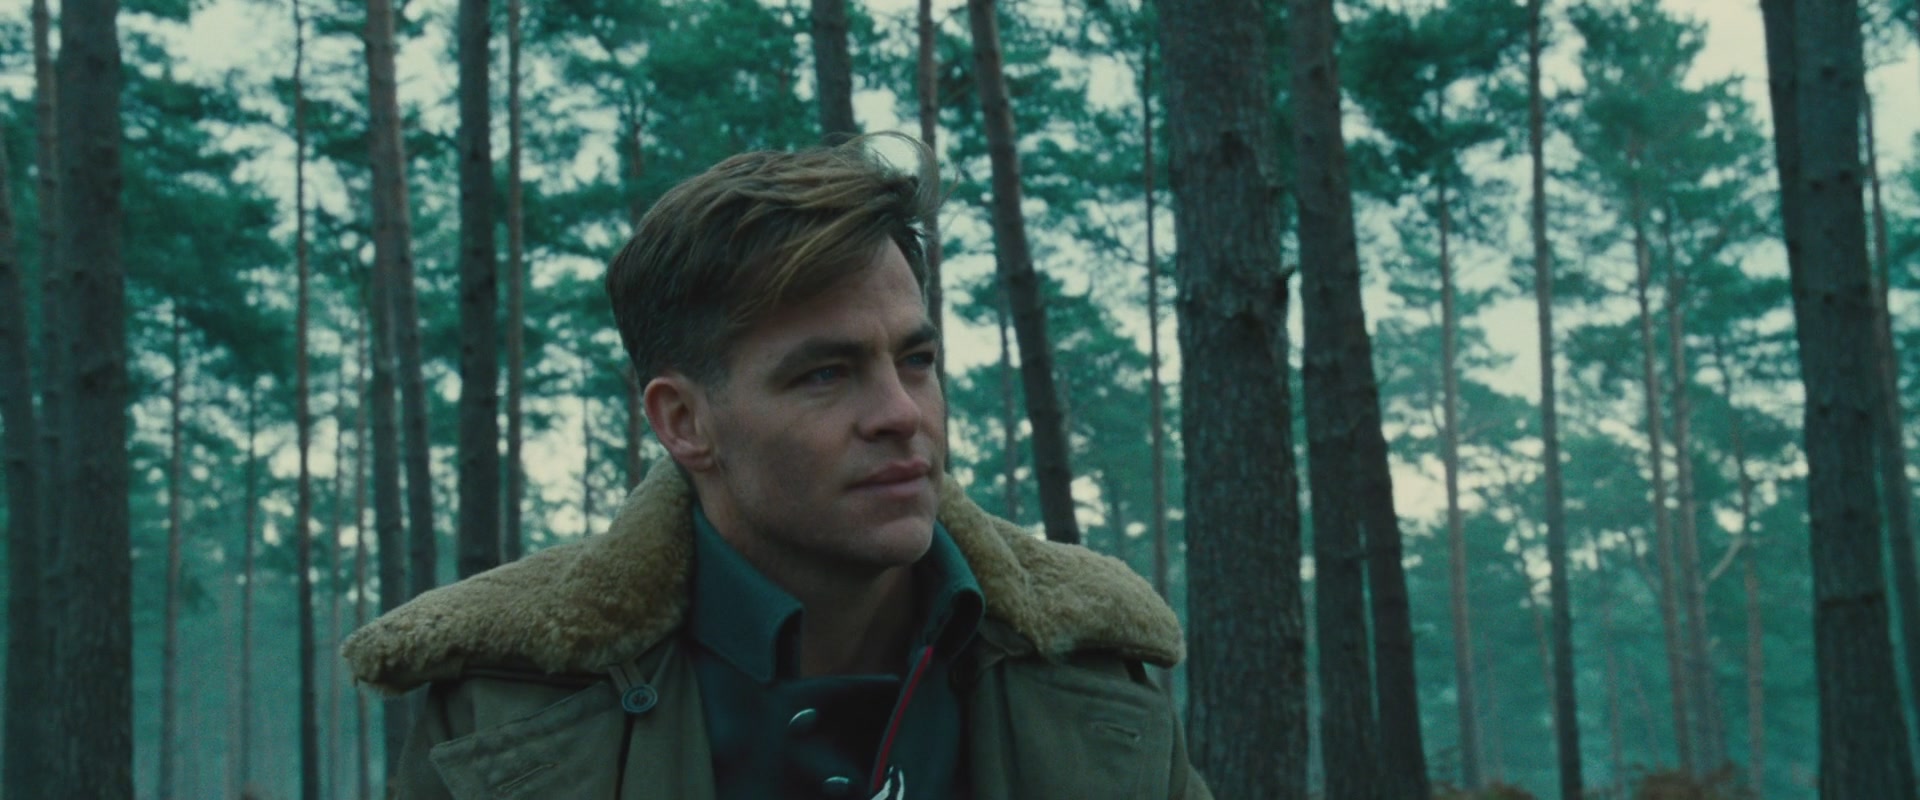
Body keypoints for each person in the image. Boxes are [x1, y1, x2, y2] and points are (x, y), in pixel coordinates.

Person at [342, 133, 1212, 800]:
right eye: (825, 374)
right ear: (684, 423)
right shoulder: (510, 711)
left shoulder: (1089, 678)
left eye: (916, 361)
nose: (901, 414)